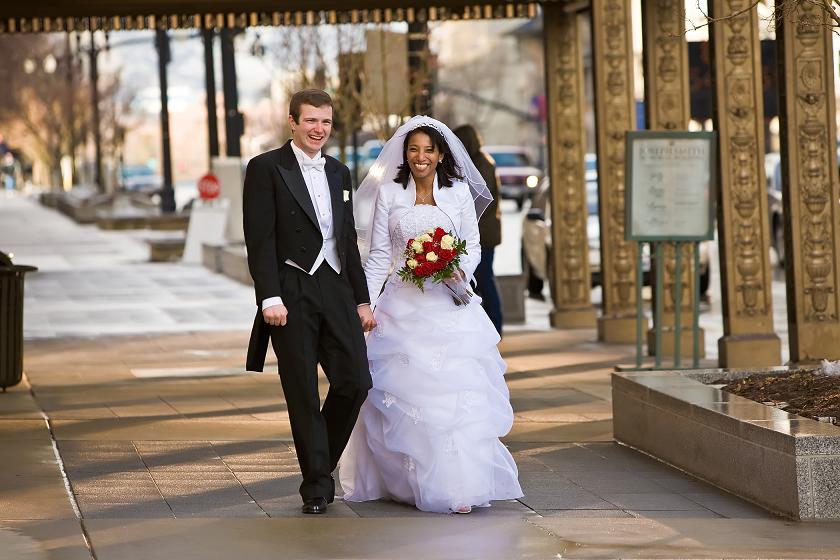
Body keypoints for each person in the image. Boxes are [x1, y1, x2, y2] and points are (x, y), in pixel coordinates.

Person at [339, 116, 522, 514]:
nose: (420, 157)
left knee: (456, 396)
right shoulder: (390, 192)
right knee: (406, 394)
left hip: (449, 302)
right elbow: (380, 257)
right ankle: (408, 479)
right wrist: (365, 305)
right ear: (405, 154)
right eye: (413, 150)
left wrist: (457, 268)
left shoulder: (457, 194)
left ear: (441, 155)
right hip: (402, 306)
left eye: (428, 150)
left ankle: (459, 484)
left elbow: (472, 244)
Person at [242, 89, 376, 515]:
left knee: (355, 381)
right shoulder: (266, 168)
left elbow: (348, 242)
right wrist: (269, 296)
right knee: (301, 391)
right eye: (311, 121)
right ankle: (317, 485)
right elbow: (259, 239)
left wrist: (362, 300)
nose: (319, 129)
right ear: (293, 122)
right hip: (292, 288)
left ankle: (320, 462)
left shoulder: (338, 172)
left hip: (335, 285)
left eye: (326, 122)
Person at [453, 124, 503, 336]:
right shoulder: (483, 161)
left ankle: (494, 326)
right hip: (487, 232)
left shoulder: (480, 164)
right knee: (483, 281)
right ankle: (489, 325)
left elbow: (477, 200)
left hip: (483, 234)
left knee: (484, 281)